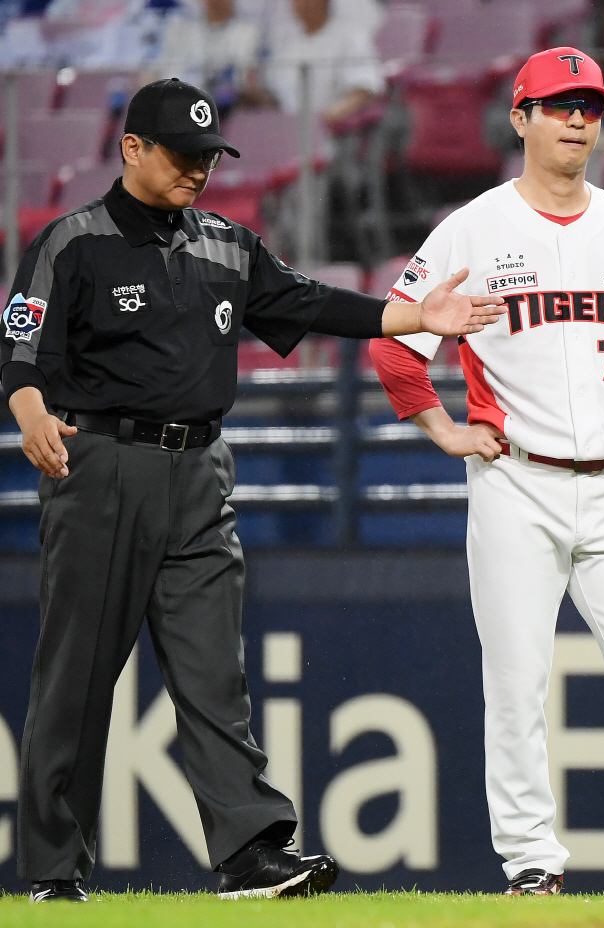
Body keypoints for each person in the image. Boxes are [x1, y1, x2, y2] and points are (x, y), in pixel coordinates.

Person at [0, 78, 502, 903]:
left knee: (213, 675)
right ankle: (55, 871)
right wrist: (29, 413)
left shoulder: (228, 244)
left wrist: (414, 318)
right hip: (101, 470)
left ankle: (250, 855)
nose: (198, 169)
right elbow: (20, 351)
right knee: (76, 679)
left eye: (207, 156)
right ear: (132, 149)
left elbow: (307, 302)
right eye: (181, 154)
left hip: (201, 473)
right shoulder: (73, 242)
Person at [368, 46, 604, 899]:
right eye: (561, 104)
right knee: (516, 685)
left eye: (591, 106)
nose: (578, 119)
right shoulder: (473, 228)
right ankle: (531, 862)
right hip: (516, 482)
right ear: (520, 117)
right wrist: (441, 431)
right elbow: (396, 342)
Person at [264, 0, 383, 124]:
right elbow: (277, 94)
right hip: (289, 127)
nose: (303, 4)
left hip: (337, 129)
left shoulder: (350, 37)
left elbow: (365, 87)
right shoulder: (289, 44)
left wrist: (332, 115)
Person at [153, 0, 269, 114]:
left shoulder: (249, 32)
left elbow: (248, 82)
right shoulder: (182, 30)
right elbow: (158, 73)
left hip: (229, 110)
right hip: (180, 108)